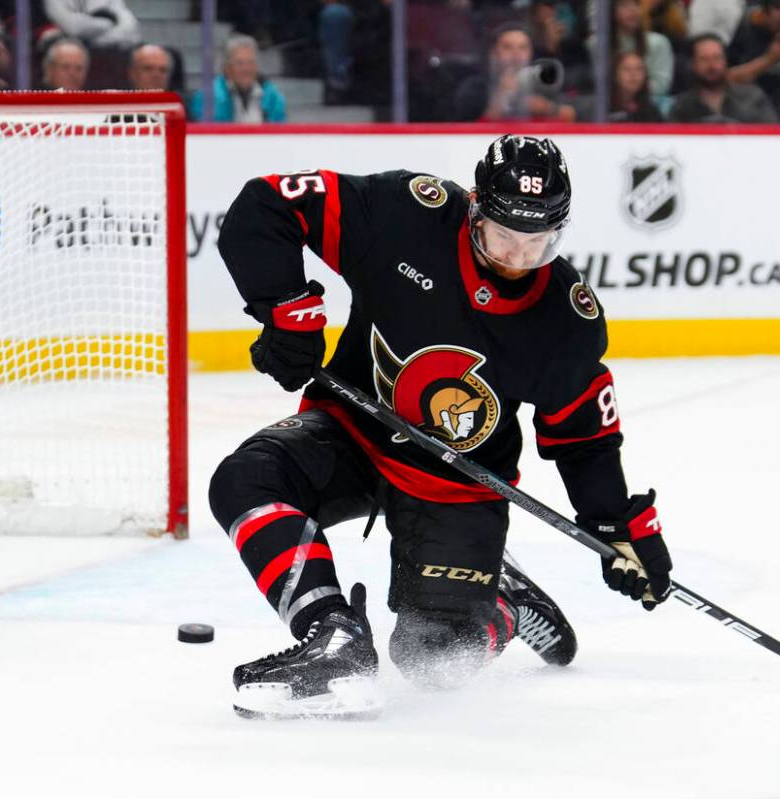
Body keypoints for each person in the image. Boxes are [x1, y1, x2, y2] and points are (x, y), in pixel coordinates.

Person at [211, 135, 675, 719]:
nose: (517, 257)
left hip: (456, 484)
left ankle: (502, 602)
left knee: (433, 660)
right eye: (504, 235)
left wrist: (615, 523)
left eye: (538, 242)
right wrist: (288, 314)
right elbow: (266, 206)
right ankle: (332, 636)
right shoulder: (408, 213)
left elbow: (584, 438)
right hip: (352, 433)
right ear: (475, 205)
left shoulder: (566, 318)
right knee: (246, 478)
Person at [453, 23, 578, 121]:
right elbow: (466, 133)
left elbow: (573, 114)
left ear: (531, 53)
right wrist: (502, 96)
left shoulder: (544, 82)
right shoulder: (476, 87)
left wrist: (546, 108)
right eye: (507, 47)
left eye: (523, 48)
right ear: (494, 53)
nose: (516, 54)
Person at [669, 32, 779, 121]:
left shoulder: (753, 98)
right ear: (693, 64)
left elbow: (773, 139)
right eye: (704, 59)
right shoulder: (681, 107)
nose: (712, 66)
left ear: (725, 61)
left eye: (717, 58)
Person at [726, 0, 780, 116]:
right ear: (764, 11)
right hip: (755, 111)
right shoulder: (744, 27)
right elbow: (725, 79)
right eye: (779, 6)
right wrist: (768, 59)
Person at [190, 34, 287, 123]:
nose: (246, 69)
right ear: (227, 68)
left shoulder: (272, 96)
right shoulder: (208, 97)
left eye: (250, 62)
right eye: (239, 63)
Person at [611, 0, 674, 98]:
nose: (632, 10)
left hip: (649, 103)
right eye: (624, 5)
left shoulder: (659, 43)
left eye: (636, 4)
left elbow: (661, 85)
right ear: (613, 12)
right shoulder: (596, 45)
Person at [41, 0, 139, 49]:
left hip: (107, 54)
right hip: (67, 53)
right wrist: (108, 23)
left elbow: (129, 28)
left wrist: (87, 39)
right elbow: (73, 27)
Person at [608, 51, 665, 120]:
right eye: (626, 69)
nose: (633, 74)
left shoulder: (650, 111)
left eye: (639, 69)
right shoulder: (601, 107)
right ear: (615, 75)